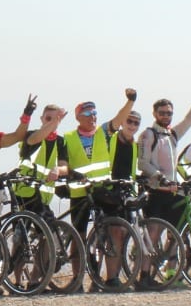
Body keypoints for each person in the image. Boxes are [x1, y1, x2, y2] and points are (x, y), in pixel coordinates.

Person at [58, 91, 136, 235]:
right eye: (88, 114)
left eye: (94, 113)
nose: (92, 117)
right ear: (78, 117)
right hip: (80, 192)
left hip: (102, 190)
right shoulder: (68, 138)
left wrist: (130, 101)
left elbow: (118, 119)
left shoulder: (102, 132)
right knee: (79, 236)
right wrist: (70, 173)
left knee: (114, 232)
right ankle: (78, 257)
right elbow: (63, 162)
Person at [137, 77, 191, 224]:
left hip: (172, 190)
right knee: (154, 232)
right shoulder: (148, 134)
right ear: (154, 114)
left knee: (178, 230)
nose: (165, 116)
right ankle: (141, 248)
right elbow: (142, 164)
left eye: (169, 113)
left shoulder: (172, 134)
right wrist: (160, 177)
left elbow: (190, 119)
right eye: (162, 113)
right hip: (154, 190)